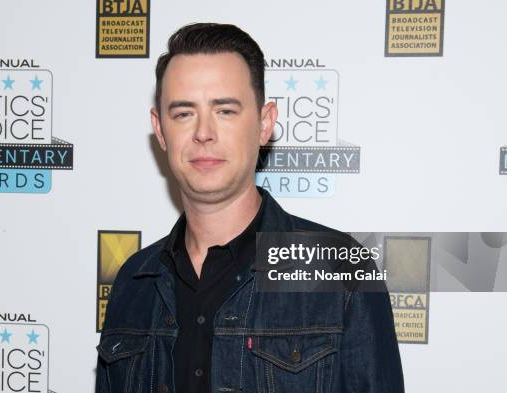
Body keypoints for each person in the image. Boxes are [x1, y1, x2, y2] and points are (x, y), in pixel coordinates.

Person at [96, 23, 404, 393]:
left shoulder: (339, 272)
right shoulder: (133, 282)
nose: (204, 132)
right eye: (183, 114)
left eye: (225, 111)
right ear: (160, 130)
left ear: (264, 123)